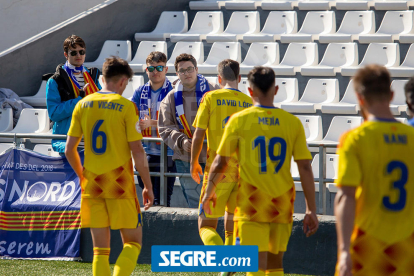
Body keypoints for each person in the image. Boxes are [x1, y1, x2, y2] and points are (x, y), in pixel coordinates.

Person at [201, 67, 319, 276]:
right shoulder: (292, 122)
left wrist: (209, 193)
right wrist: (311, 209)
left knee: (254, 265)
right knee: (274, 265)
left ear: (249, 90)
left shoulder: (239, 120)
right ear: (275, 90)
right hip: (281, 203)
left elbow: (220, 163)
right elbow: (305, 167)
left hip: (251, 204)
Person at [65, 57, 154, 276]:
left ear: (103, 78)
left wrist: (81, 175)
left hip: (92, 183)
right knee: (133, 243)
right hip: (120, 183)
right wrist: (147, 186)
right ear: (124, 82)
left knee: (100, 251)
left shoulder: (82, 104)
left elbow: (69, 149)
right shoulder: (126, 106)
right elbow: (137, 151)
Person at [334, 65, 414, 276]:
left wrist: (343, 252)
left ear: (360, 98)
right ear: (391, 95)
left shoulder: (354, 139)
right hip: (408, 248)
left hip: (367, 246)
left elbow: (345, 197)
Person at [190, 59, 252, 250]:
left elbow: (198, 134)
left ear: (219, 78)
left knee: (205, 225)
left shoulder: (210, 98)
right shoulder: (249, 102)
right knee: (231, 226)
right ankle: (229, 266)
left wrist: (194, 163)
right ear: (239, 78)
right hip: (242, 171)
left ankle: (225, 263)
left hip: (218, 170)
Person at [158, 53, 219, 208]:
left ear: (196, 69)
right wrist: (181, 140)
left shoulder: (214, 90)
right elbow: (165, 127)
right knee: (195, 204)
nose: (187, 73)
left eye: (190, 69)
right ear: (177, 74)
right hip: (185, 156)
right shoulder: (170, 98)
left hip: (214, 155)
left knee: (216, 203)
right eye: (182, 71)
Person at [131, 51, 176, 207]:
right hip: (146, 150)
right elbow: (130, 115)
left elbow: (178, 123)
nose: (155, 72)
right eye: (151, 69)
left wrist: (153, 123)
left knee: (162, 200)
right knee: (148, 199)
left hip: (168, 151)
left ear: (166, 69)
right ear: (146, 70)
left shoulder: (174, 91)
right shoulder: (139, 91)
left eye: (159, 68)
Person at [46, 35, 101, 154]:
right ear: (66, 54)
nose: (78, 56)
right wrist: (79, 100)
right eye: (73, 53)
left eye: (82, 52)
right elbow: (54, 114)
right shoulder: (55, 81)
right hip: (70, 147)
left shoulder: (92, 77)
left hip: (93, 145)